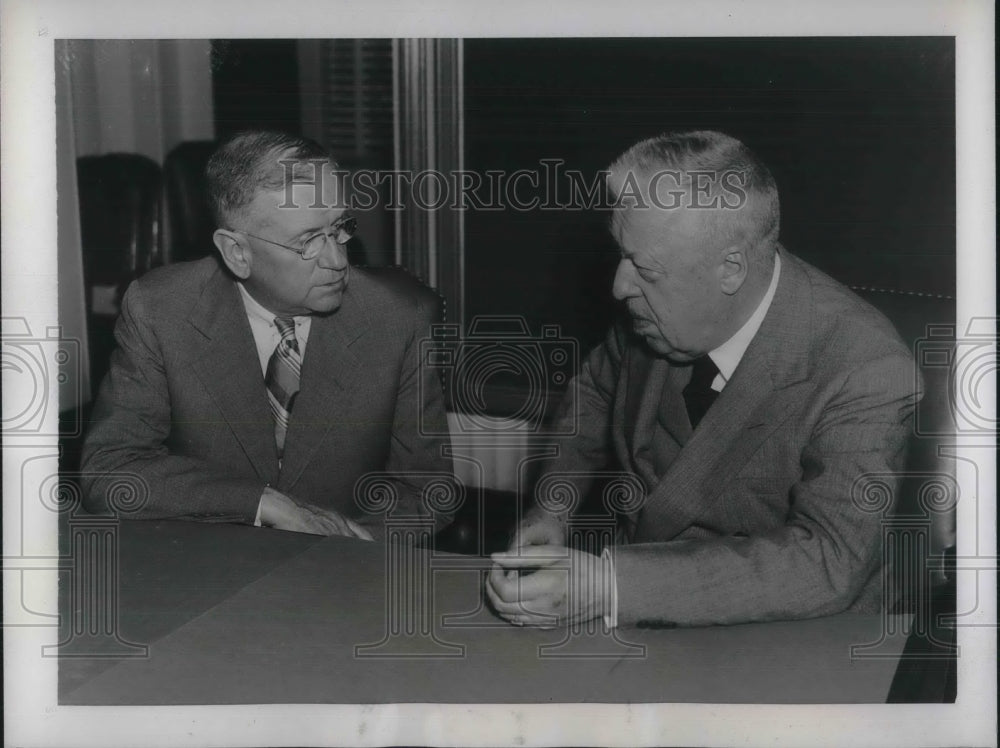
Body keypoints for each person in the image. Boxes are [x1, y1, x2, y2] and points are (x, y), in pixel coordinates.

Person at [488, 130, 921, 627]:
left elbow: (829, 562)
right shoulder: (656, 312)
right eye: (621, 254)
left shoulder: (867, 368)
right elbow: (595, 392)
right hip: (647, 614)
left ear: (731, 268)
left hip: (800, 634)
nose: (618, 286)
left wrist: (609, 587)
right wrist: (551, 509)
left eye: (645, 270)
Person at [81, 131, 454, 540]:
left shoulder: (395, 318)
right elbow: (110, 470)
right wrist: (264, 503)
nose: (337, 259)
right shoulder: (161, 308)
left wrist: (353, 542)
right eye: (308, 240)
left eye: (340, 228)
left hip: (346, 573)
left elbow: (429, 491)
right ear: (237, 253)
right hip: (207, 569)